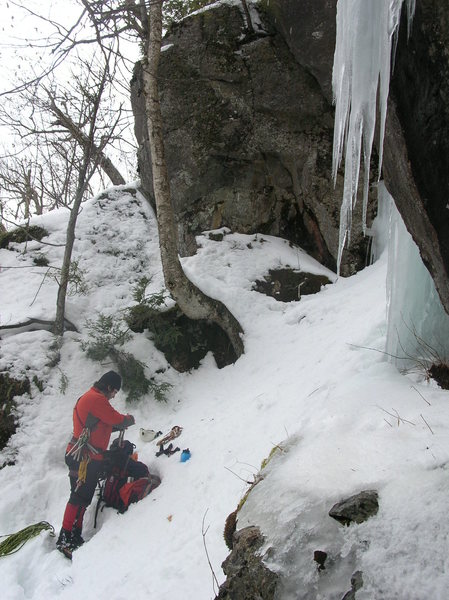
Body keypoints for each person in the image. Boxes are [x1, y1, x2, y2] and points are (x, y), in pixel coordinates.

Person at [56, 370, 135, 559]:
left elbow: (104, 423)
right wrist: (128, 420)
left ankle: (74, 534)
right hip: (84, 458)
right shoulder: (97, 400)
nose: (114, 395)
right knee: (78, 497)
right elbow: (115, 418)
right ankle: (66, 538)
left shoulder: (90, 398)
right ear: (108, 386)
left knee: (82, 497)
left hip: (83, 456)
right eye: (114, 391)